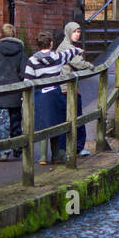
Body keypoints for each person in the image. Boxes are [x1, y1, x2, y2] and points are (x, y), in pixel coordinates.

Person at [24, 31, 82, 165]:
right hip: (55, 94)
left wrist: (24, 100)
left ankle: (43, 157)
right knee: (55, 123)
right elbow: (69, 53)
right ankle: (55, 156)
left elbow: (27, 80)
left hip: (40, 96)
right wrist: (78, 49)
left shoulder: (32, 60)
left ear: (38, 44)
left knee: (43, 125)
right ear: (51, 43)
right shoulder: (57, 57)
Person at [0, 24, 27, 161]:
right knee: (16, 121)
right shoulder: (21, 53)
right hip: (16, 93)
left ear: (1, 35)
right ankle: (17, 148)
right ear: (14, 35)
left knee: (3, 123)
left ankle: (4, 151)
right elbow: (23, 73)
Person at [57, 21, 95, 157]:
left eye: (79, 32)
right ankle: (77, 147)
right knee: (77, 118)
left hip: (67, 87)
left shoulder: (67, 46)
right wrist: (89, 65)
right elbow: (77, 63)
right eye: (74, 32)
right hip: (67, 88)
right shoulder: (66, 47)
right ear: (68, 32)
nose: (77, 34)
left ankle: (64, 149)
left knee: (67, 119)